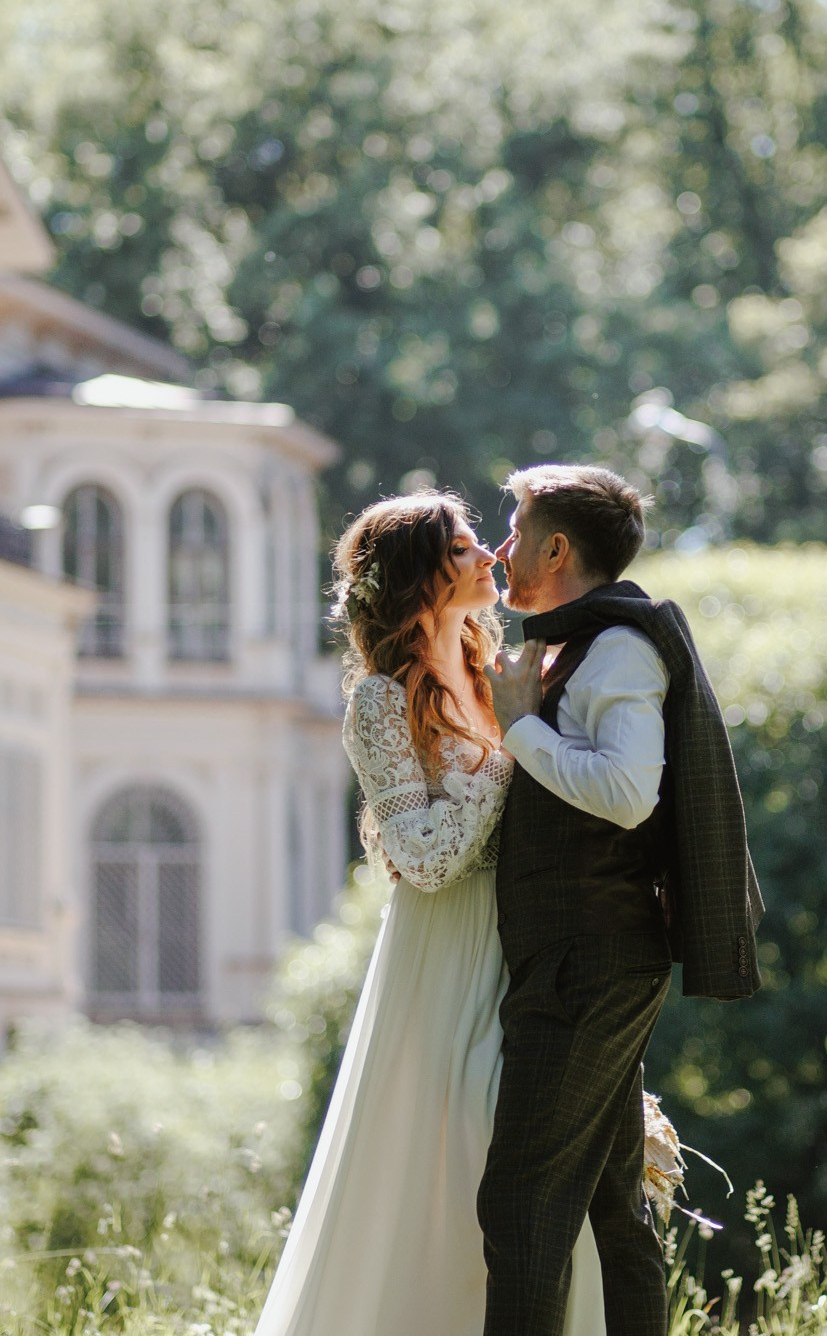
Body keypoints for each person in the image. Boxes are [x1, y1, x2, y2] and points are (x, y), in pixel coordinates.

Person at [252, 492, 606, 1336]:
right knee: (452, 1161)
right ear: (419, 575)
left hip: (520, 941)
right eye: (462, 544)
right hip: (442, 955)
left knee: (535, 1164)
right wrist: (510, 750)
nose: (489, 553)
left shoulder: (505, 673)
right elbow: (423, 857)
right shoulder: (380, 701)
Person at [478, 464, 762, 1336]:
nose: (499, 548)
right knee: (612, 1203)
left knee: (521, 1199)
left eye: (515, 529)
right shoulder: (580, 644)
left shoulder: (621, 648)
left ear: (556, 547)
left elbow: (630, 791)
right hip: (582, 957)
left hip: (588, 963)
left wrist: (520, 725)